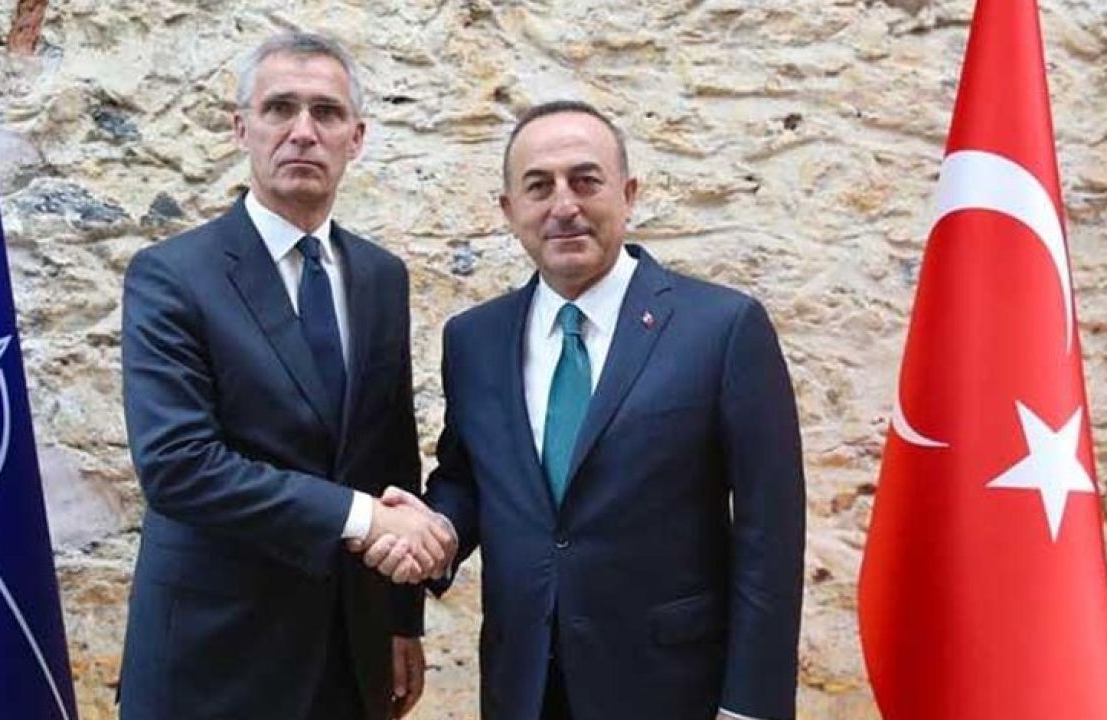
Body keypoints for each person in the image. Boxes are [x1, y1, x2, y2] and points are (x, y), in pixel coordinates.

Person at [361, 101, 805, 719]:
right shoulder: (474, 338)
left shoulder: (723, 328)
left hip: (670, 690)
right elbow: (470, 479)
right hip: (523, 687)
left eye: (585, 180)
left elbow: (770, 534)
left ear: (628, 194)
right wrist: (438, 531)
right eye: (539, 186)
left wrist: (752, 708)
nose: (563, 205)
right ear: (509, 210)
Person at [117, 32, 454, 720]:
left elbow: (389, 452)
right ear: (242, 128)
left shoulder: (381, 278)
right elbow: (179, 465)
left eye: (326, 112)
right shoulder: (172, 276)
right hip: (213, 659)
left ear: (356, 138)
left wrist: (401, 619)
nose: (303, 131)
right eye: (280, 108)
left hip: (348, 654)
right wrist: (360, 517)